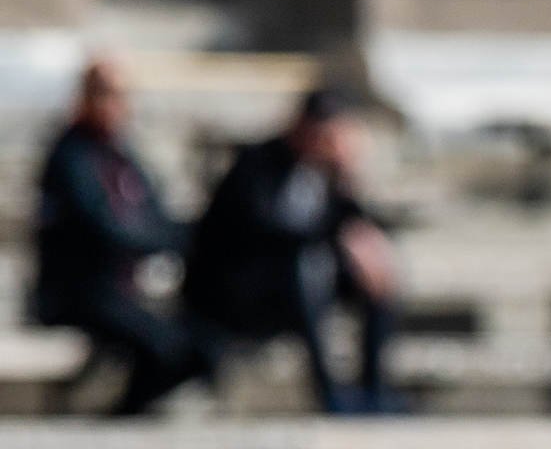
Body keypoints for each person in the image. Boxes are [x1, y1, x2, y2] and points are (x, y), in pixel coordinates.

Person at [182, 88, 403, 415]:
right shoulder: (256, 162)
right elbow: (267, 231)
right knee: (304, 267)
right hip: (237, 290)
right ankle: (329, 395)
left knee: (376, 267)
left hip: (298, 288)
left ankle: (374, 391)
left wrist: (347, 176)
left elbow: (348, 220)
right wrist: (336, 238)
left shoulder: (321, 169)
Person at [31, 57, 209, 416]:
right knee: (166, 347)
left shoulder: (121, 154)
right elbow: (102, 226)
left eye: (119, 94)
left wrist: (191, 239)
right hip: (80, 291)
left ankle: (121, 416)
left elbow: (154, 213)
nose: (113, 104)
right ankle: (114, 421)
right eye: (104, 93)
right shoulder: (71, 155)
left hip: (122, 292)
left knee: (204, 345)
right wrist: (164, 241)